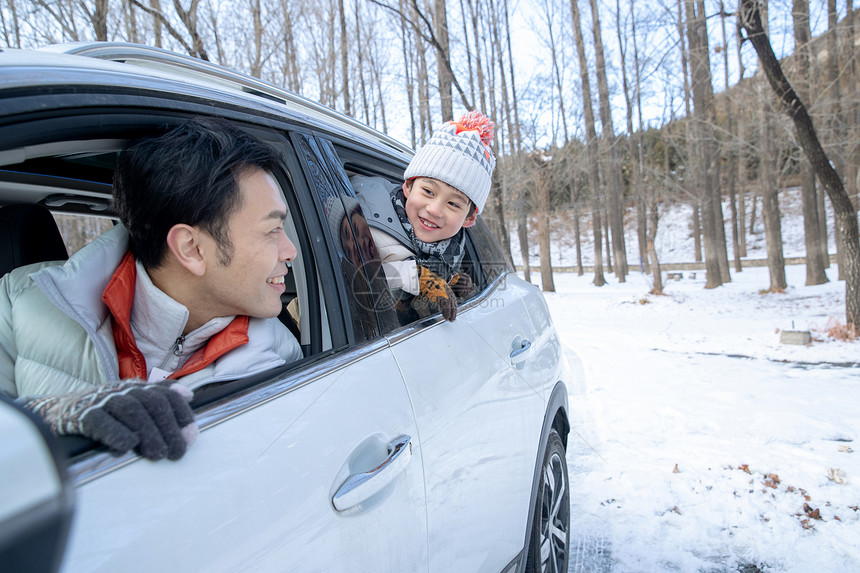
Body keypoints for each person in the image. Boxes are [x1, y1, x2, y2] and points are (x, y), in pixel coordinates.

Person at [0, 118, 302, 461]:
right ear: (191, 249)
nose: (290, 250)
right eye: (273, 230)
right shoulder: (18, 303)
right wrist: (57, 414)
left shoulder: (279, 358)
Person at [350, 110, 496, 322]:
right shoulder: (369, 223)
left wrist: (451, 280)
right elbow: (358, 279)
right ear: (408, 186)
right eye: (428, 191)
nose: (435, 209)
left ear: (469, 219)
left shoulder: (451, 250)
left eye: (453, 204)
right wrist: (421, 277)